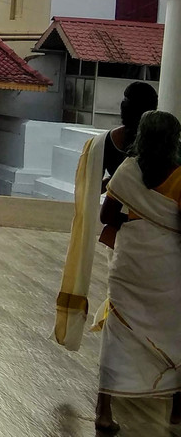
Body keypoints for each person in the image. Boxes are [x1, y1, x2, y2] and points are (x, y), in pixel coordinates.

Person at [93, 110, 181, 433]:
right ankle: (175, 412)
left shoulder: (126, 171)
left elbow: (106, 216)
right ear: (175, 140)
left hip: (129, 269)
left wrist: (137, 226)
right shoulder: (180, 177)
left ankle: (103, 410)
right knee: (175, 337)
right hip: (168, 275)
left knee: (116, 337)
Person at [55, 81, 158, 350]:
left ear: (124, 108)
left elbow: (98, 198)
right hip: (158, 236)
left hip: (120, 232)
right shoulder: (165, 148)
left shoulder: (104, 144)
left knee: (122, 293)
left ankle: (122, 346)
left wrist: (112, 185)